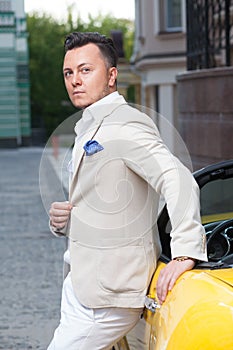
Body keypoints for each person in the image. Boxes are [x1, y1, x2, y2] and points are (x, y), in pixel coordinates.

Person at [48, 32, 207, 350]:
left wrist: (186, 250)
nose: (75, 80)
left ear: (111, 75)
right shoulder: (88, 126)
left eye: (85, 70)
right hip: (81, 283)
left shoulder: (126, 124)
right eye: (69, 72)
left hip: (108, 296)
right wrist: (62, 219)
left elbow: (177, 178)